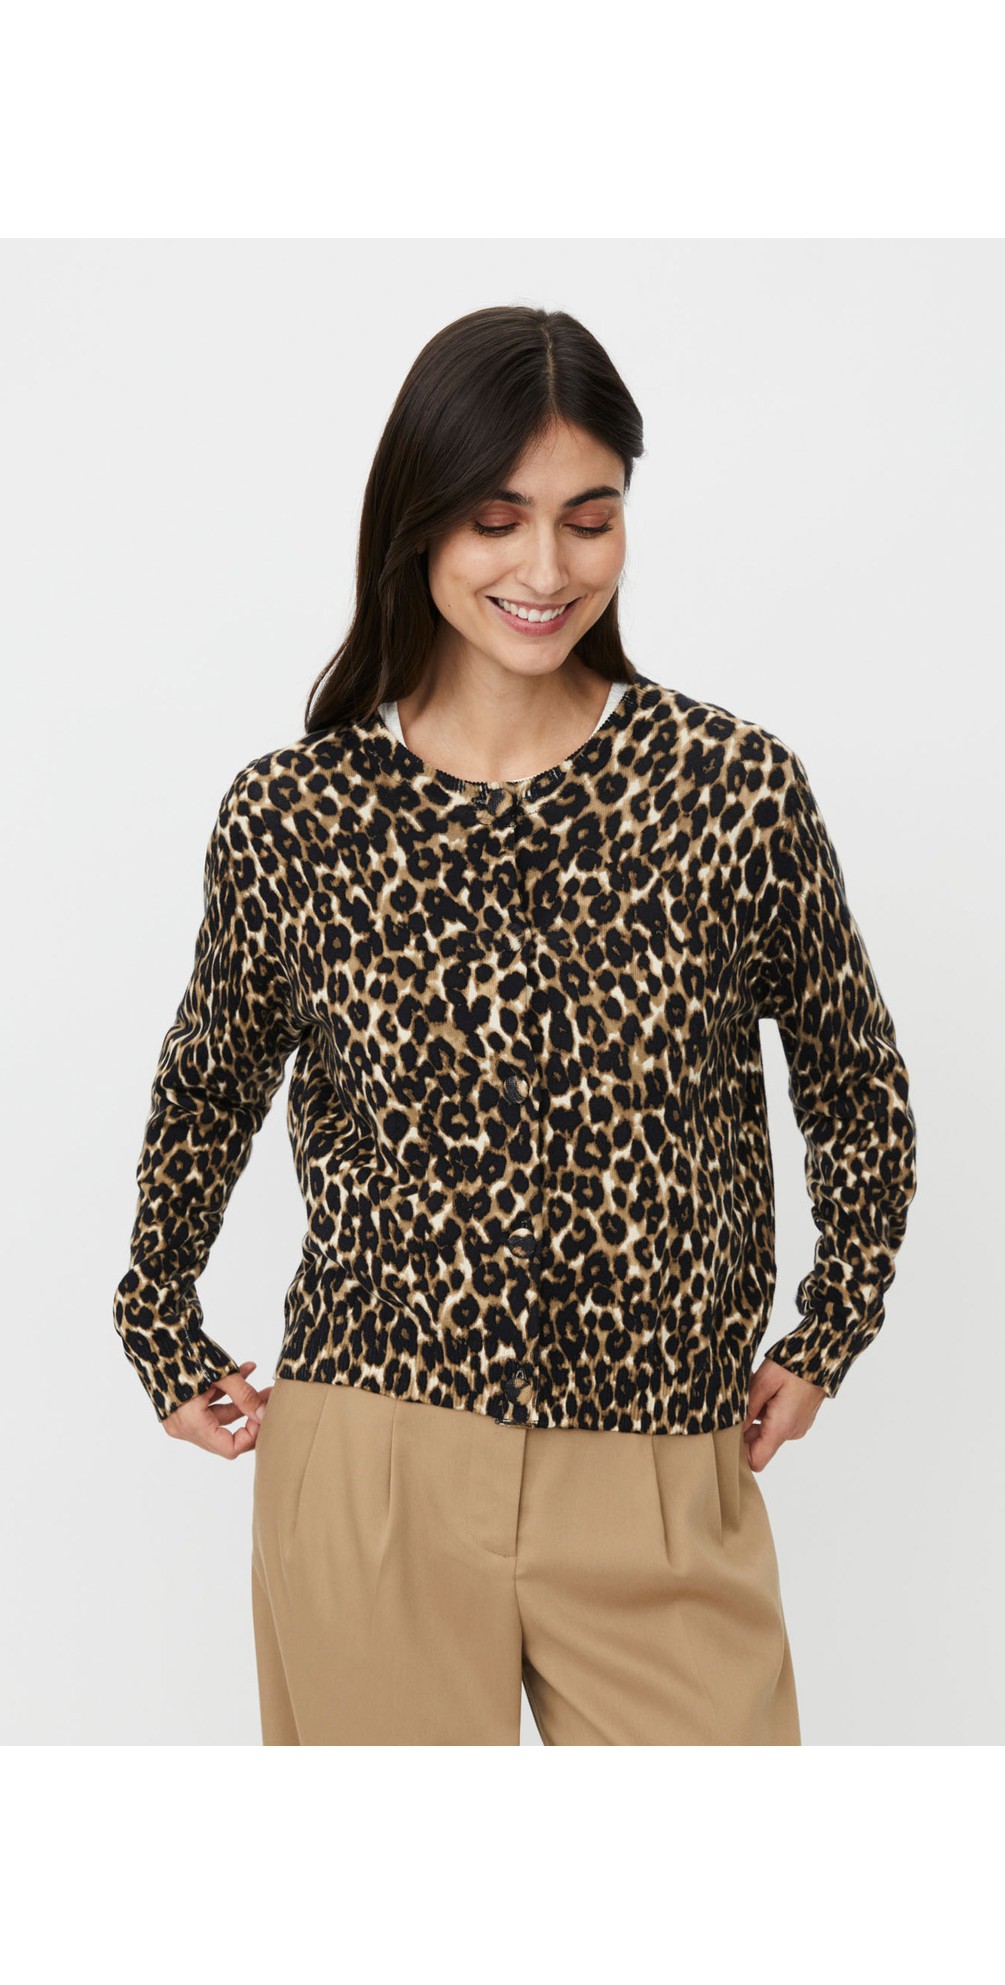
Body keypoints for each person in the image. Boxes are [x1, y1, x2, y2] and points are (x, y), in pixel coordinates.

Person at [113, 304, 918, 1745]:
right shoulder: (295, 814)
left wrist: (832, 1323)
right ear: (417, 521)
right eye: (497, 520)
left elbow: (854, 1078)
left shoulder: (730, 790)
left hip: (660, 1463)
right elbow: (208, 1082)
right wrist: (158, 1319)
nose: (546, 570)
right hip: (375, 1456)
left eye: (588, 520)